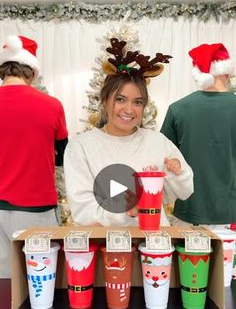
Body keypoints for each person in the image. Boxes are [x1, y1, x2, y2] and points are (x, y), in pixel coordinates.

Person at [64, 38, 193, 227]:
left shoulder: (157, 141)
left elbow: (184, 191)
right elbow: (83, 212)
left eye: (138, 102)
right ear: (105, 100)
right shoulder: (81, 146)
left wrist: (178, 172)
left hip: (154, 246)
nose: (129, 110)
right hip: (107, 248)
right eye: (121, 100)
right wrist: (127, 213)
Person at [0, 35, 68, 278]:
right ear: (32, 71)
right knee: (41, 280)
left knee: (4, 284)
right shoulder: (51, 106)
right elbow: (62, 156)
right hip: (35, 209)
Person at [161, 43, 236, 228]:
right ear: (226, 70)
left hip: (189, 211)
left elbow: (163, 158)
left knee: (187, 258)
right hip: (231, 211)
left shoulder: (178, 109)